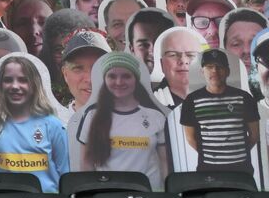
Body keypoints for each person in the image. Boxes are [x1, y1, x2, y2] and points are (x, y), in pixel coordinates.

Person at [69, 50, 170, 189]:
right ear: (105, 79)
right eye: (112, 76)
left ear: (136, 79)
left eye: (126, 76)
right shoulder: (92, 116)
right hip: (110, 197)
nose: (119, 82)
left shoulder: (156, 117)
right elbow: (86, 165)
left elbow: (165, 165)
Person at [0, 51, 70, 193]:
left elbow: (66, 176)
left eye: (22, 80)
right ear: (1, 85)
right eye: (8, 80)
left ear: (34, 84)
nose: (15, 86)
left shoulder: (52, 125)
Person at [179, 48, 260, 176]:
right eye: (209, 67)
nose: (214, 71)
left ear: (227, 71)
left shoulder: (245, 98)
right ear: (202, 71)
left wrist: (236, 153)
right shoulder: (191, 100)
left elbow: (254, 135)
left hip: (241, 170)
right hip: (208, 170)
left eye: (219, 67)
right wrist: (212, 156)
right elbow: (190, 138)